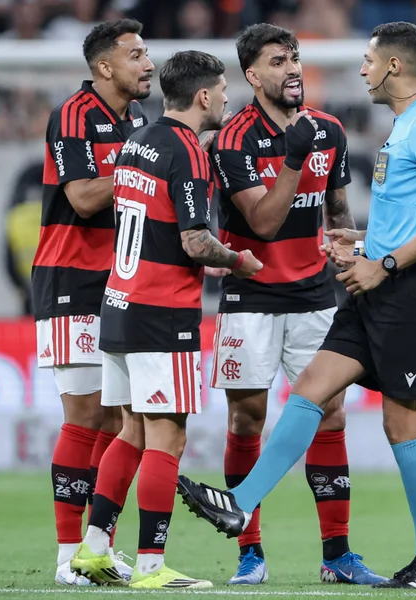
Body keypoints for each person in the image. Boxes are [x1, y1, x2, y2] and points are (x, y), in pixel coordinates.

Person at [178, 21, 416, 590]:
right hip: (375, 287)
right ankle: (240, 504)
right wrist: (360, 243)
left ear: (392, 66)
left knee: (403, 424)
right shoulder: (405, 125)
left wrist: (383, 263)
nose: (361, 69)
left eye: (368, 60)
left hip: (413, 292)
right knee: (313, 388)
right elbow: (407, 216)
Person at [69, 50, 263, 590]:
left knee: (130, 430)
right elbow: (195, 241)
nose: (226, 98)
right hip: (162, 312)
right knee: (167, 438)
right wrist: (238, 260)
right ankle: (151, 566)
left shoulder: (140, 140)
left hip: (119, 303)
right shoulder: (187, 152)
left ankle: (94, 548)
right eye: (221, 90)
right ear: (202, 96)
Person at [208, 23, 385, 586]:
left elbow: (337, 210)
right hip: (251, 297)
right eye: (277, 61)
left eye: (294, 58)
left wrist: (346, 251)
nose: (291, 69)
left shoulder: (329, 130)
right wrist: (293, 157)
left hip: (313, 296)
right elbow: (262, 222)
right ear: (252, 75)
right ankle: (250, 554)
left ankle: (338, 555)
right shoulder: (233, 139)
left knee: (330, 413)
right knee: (247, 418)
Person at [30, 18, 151, 586]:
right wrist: (144, 165)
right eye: (135, 54)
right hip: (71, 278)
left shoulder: (138, 119)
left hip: (120, 281)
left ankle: (96, 547)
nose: (147, 63)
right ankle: (66, 555)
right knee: (83, 414)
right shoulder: (74, 115)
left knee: (116, 416)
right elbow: (81, 197)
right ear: (104, 66)